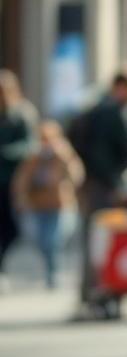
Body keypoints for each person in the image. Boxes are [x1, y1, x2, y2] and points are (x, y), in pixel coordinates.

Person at [72, 70, 127, 316]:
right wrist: (115, 181)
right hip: (103, 187)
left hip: (97, 184)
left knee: (97, 239)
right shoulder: (111, 112)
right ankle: (97, 293)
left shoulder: (101, 110)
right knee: (101, 241)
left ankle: (95, 293)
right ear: (122, 87)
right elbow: (119, 149)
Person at [12, 121, 84, 290]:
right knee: (39, 240)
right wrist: (21, 198)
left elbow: (76, 176)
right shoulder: (33, 157)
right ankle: (50, 270)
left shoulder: (64, 155)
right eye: (43, 139)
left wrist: (63, 158)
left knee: (53, 241)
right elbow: (21, 179)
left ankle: (52, 274)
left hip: (60, 205)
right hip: (37, 205)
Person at [0, 70, 38, 286]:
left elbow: (28, 145)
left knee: (12, 228)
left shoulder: (22, 114)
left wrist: (5, 152)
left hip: (14, 181)